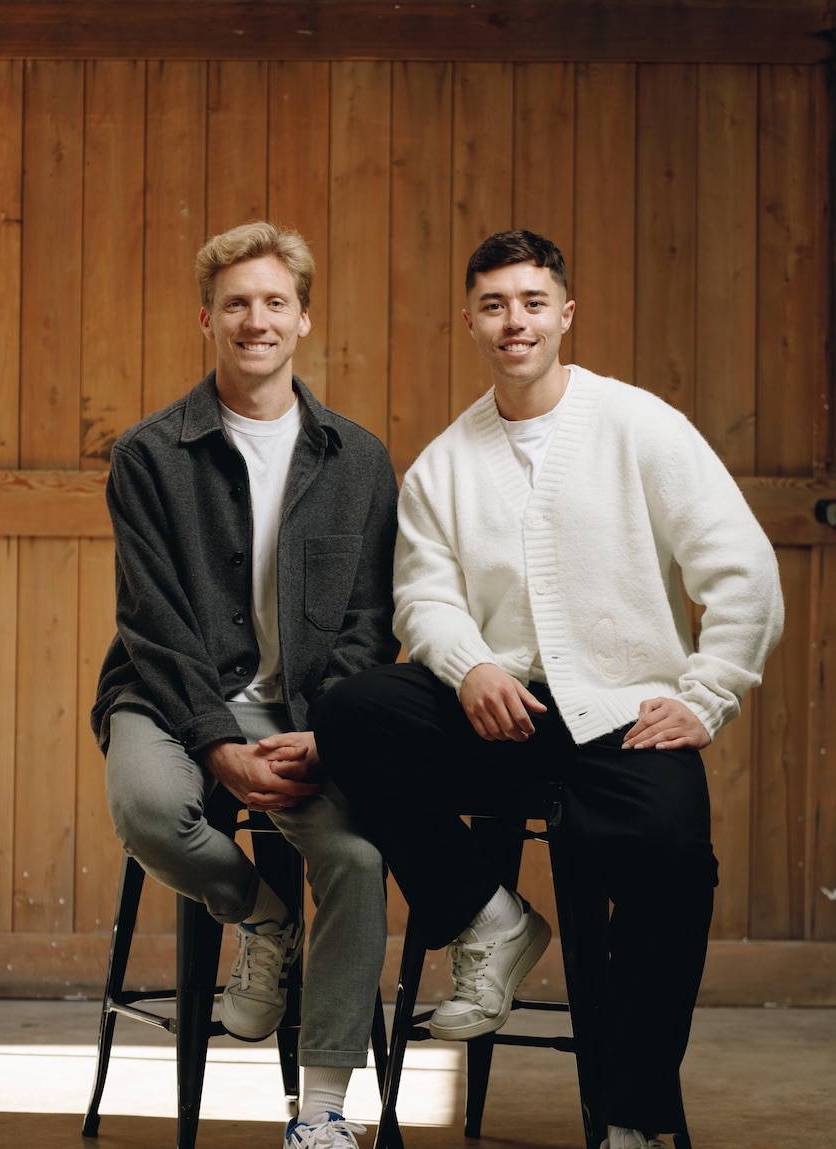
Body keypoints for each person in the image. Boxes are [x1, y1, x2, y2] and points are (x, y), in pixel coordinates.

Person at [311, 230, 784, 1149]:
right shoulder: (446, 462)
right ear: (470, 321)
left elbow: (742, 566)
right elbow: (425, 596)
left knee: (675, 863)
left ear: (565, 314)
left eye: (532, 302)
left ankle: (635, 1117)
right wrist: (470, 665)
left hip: (621, 715)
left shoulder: (637, 424)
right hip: (501, 716)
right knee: (353, 714)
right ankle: (488, 917)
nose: (514, 321)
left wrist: (708, 691)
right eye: (494, 304)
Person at [92, 220, 399, 1149]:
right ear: (206, 318)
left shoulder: (360, 460)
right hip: (167, 689)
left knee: (353, 858)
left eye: (274, 302)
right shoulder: (151, 454)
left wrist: (328, 732)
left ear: (304, 319)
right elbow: (154, 619)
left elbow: (370, 622)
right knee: (149, 806)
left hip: (304, 711)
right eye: (236, 303)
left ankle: (323, 1111)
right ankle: (263, 922)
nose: (255, 320)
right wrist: (214, 741)